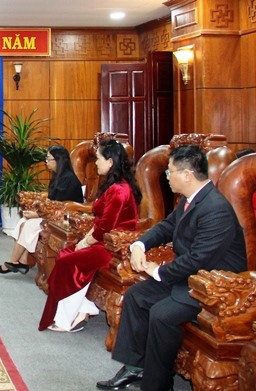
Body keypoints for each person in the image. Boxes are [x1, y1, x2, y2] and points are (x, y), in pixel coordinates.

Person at [97, 145, 247, 391]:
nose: (167, 175)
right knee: (136, 296)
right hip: (188, 277)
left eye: (170, 171)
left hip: (211, 289)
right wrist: (139, 244)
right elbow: (166, 227)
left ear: (187, 174)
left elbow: (200, 259)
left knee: (161, 314)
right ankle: (136, 368)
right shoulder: (191, 200)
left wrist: (158, 271)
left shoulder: (215, 209)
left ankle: (158, 384)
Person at [38, 139, 140, 332]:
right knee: (65, 254)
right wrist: (85, 241)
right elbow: (100, 220)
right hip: (104, 240)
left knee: (68, 261)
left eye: (99, 158)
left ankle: (67, 319)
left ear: (110, 162)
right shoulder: (112, 184)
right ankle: (84, 308)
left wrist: (85, 242)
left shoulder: (119, 190)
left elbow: (106, 227)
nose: (96, 163)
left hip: (115, 247)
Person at [0, 145, 84, 274]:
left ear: (59, 160)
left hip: (67, 218)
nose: (46, 162)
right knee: (23, 222)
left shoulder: (68, 179)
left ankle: (13, 261)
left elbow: (59, 206)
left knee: (30, 224)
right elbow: (52, 201)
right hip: (54, 213)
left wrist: (37, 214)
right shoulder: (58, 176)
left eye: (49, 159)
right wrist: (36, 212)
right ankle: (23, 261)